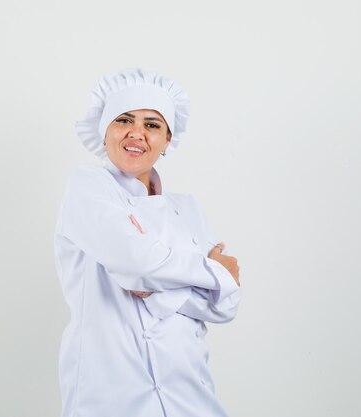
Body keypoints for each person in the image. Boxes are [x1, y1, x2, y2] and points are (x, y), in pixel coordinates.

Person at [54, 68, 241, 417]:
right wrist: (215, 272)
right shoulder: (88, 187)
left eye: (152, 125)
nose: (136, 133)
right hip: (112, 396)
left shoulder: (187, 209)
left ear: (168, 139)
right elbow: (136, 264)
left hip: (190, 395)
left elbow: (225, 305)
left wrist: (161, 289)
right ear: (105, 130)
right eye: (124, 120)